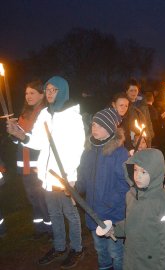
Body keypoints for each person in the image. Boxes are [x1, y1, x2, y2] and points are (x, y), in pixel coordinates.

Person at [6, 76, 85, 269]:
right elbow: (39, 142)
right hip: (47, 176)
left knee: (70, 214)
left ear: (63, 92)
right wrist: (21, 136)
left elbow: (78, 148)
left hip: (64, 177)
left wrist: (70, 177)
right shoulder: (44, 115)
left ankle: (77, 248)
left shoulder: (72, 116)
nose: (49, 94)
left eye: (53, 90)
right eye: (47, 90)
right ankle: (59, 246)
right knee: (54, 213)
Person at [99, 148, 165, 270]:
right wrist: (115, 229)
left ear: (155, 172)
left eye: (144, 172)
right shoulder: (131, 195)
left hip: (151, 263)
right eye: (135, 170)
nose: (137, 176)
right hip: (131, 259)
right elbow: (132, 223)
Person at [75, 108, 129, 270]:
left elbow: (124, 184)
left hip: (113, 214)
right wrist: (75, 188)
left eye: (99, 125)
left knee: (116, 251)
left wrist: (108, 204)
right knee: (101, 250)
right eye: (93, 125)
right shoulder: (88, 151)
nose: (94, 128)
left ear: (110, 128)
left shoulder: (120, 153)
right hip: (93, 212)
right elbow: (83, 176)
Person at [12, 80, 52, 238]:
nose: (28, 96)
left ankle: (51, 229)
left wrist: (22, 135)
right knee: (33, 199)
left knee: (43, 199)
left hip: (38, 165)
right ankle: (40, 228)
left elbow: (40, 140)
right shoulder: (24, 114)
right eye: (26, 93)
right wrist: (13, 132)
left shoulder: (45, 113)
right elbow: (18, 141)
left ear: (42, 95)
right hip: (25, 165)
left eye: (32, 93)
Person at [125, 79, 154, 147]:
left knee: (146, 156)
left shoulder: (143, 103)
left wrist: (150, 133)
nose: (133, 93)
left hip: (145, 136)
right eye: (131, 90)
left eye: (135, 90)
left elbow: (148, 120)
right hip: (133, 139)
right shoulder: (124, 105)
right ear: (126, 91)